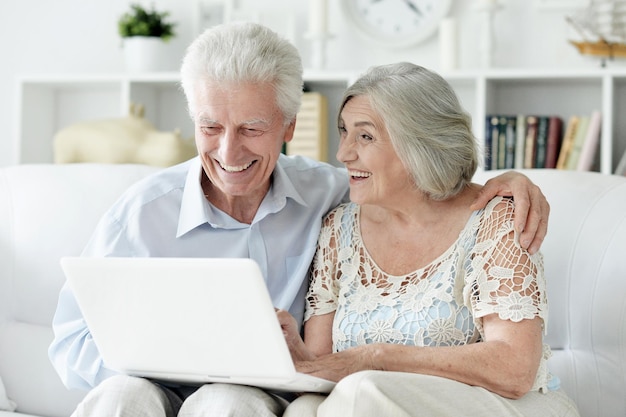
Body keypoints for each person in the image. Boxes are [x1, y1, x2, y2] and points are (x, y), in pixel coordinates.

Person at [49, 23, 551, 417]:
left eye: (251, 128)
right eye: (210, 127)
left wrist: (504, 184)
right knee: (122, 399)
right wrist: (160, 362)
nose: (228, 151)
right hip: (146, 388)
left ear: (288, 126)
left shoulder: (332, 195)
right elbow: (70, 341)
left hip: (255, 400)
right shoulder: (139, 214)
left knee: (226, 404)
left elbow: (413, 182)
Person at [277, 62, 580, 417]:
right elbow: (324, 368)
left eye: (365, 136)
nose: (343, 153)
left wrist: (377, 358)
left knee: (363, 391)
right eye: (344, 132)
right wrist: (294, 353)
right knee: (306, 409)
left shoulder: (495, 220)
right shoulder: (338, 229)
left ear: (419, 143)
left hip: (499, 405)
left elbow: (514, 370)